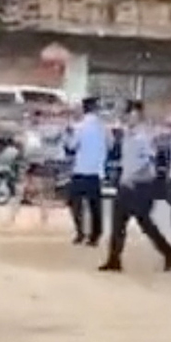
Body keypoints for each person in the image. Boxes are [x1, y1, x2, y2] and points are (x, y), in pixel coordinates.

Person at [101, 99, 171, 272]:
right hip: (125, 184)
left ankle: (167, 251)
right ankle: (114, 259)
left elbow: (149, 163)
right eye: (127, 114)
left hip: (140, 187)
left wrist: (133, 177)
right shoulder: (128, 135)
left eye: (132, 114)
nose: (129, 117)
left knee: (145, 224)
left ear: (139, 115)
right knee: (117, 224)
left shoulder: (144, 137)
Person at [66, 96, 108, 247]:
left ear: (84, 109)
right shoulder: (103, 127)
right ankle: (95, 235)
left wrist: (68, 133)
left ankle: (80, 232)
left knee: (75, 202)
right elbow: (110, 145)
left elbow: (71, 146)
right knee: (95, 205)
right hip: (96, 171)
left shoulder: (80, 127)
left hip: (81, 169)